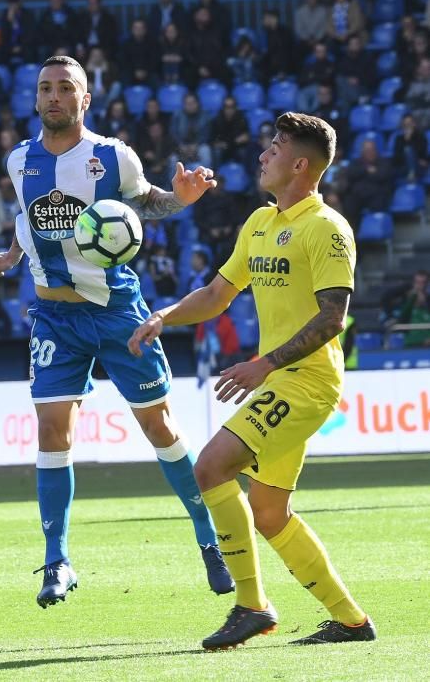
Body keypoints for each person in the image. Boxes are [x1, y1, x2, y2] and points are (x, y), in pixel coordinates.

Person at [0, 55, 233, 609]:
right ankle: (57, 559)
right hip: (54, 317)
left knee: (159, 426)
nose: (53, 97)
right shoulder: (19, 160)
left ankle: (210, 541)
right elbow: (31, 219)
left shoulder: (112, 156)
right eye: (44, 88)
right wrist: (12, 254)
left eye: (65, 88)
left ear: (84, 99)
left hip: (117, 311)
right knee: (51, 431)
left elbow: (146, 206)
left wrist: (180, 199)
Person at [128, 112, 376, 649]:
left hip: (306, 383)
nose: (264, 154)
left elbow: (333, 316)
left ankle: (251, 606)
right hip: (277, 382)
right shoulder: (260, 224)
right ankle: (352, 621)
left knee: (211, 466)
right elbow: (218, 294)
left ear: (300, 164)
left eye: (276, 146)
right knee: (268, 513)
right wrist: (164, 316)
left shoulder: (327, 228)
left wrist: (264, 364)